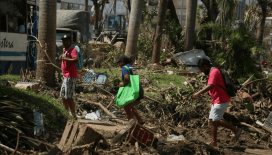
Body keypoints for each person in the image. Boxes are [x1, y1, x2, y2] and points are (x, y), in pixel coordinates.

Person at [192, 58, 242, 148]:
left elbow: (211, 85)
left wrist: (198, 93)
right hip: (217, 99)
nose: (201, 71)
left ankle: (236, 130)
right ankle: (214, 143)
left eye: (201, 69)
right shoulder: (213, 70)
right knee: (212, 121)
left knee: (215, 120)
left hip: (221, 99)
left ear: (205, 66)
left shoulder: (214, 71)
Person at [115, 54, 145, 125]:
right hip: (139, 90)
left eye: (119, 62)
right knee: (130, 106)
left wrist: (123, 84)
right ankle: (140, 120)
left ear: (122, 62)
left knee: (126, 108)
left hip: (134, 91)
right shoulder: (132, 68)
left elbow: (126, 78)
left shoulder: (124, 68)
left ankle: (131, 125)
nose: (119, 64)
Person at [59, 34, 78, 118]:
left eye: (66, 41)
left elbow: (76, 60)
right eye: (64, 41)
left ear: (70, 42)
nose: (65, 42)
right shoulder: (65, 50)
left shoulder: (72, 49)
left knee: (69, 97)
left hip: (70, 76)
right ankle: (66, 113)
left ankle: (74, 116)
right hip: (66, 76)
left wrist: (66, 59)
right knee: (63, 95)